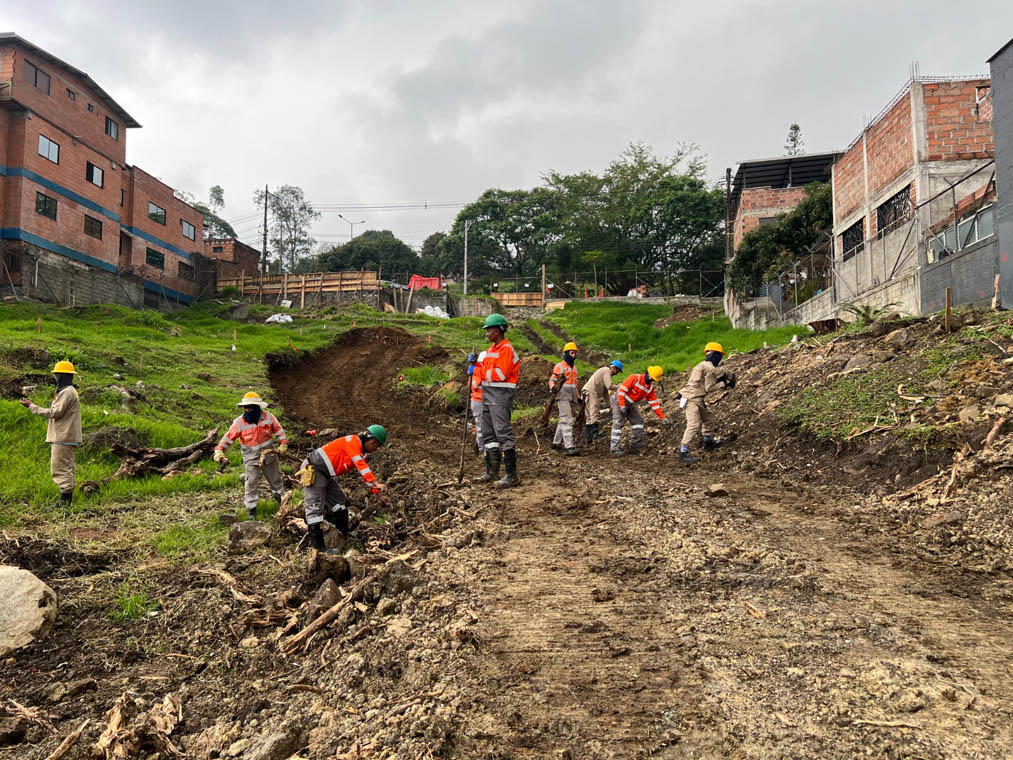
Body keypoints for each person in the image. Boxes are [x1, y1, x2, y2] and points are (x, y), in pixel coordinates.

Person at [298, 425, 389, 551]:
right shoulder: (353, 442)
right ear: (373, 441)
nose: (375, 450)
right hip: (314, 470)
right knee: (314, 508)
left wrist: (379, 494)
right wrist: (376, 482)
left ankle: (344, 537)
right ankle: (319, 550)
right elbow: (361, 466)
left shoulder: (361, 451)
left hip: (326, 474)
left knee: (339, 502)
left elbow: (364, 475)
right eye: (377, 446)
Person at [213, 391, 288, 520]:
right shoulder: (239, 422)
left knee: (276, 479)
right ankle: (251, 509)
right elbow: (227, 438)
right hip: (251, 457)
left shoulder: (269, 417)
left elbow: (280, 432)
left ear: (257, 407)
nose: (248, 409)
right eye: (245, 407)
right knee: (251, 481)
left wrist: (283, 445)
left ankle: (281, 501)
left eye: (251, 407)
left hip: (269, 454)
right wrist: (219, 451)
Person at [20, 360, 82, 510]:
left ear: (61, 375)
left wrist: (31, 406)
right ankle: (66, 501)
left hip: (63, 436)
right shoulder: (69, 391)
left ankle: (65, 503)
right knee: (66, 467)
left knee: (60, 468)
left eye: (57, 374)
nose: (56, 377)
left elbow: (54, 413)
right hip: (65, 436)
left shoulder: (67, 392)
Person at [473, 313, 521, 487]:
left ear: (499, 330)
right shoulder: (492, 350)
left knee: (503, 433)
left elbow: (500, 374)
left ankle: (511, 474)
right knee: (489, 435)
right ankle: (491, 471)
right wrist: (474, 370)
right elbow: (482, 372)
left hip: (500, 397)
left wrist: (480, 373)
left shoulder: (507, 349)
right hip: (487, 395)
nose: (486, 333)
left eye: (489, 330)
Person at [677, 342, 735, 464]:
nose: (720, 358)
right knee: (693, 425)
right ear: (715, 355)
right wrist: (725, 383)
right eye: (720, 355)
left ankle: (708, 442)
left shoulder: (702, 365)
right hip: (692, 399)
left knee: (709, 418)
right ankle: (683, 452)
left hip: (696, 399)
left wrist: (722, 377)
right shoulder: (710, 368)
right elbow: (709, 388)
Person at [609, 366, 673, 456]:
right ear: (650, 376)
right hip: (618, 400)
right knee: (618, 422)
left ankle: (634, 444)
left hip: (630, 404)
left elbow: (654, 404)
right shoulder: (635, 378)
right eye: (654, 379)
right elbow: (621, 392)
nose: (653, 381)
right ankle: (614, 449)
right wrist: (622, 405)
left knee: (638, 422)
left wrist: (662, 417)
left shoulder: (649, 388)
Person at [549, 342, 580, 456]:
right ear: (566, 353)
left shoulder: (575, 369)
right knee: (567, 420)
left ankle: (556, 444)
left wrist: (578, 397)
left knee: (563, 420)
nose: (574, 355)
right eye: (572, 353)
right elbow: (552, 380)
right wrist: (552, 388)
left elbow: (574, 385)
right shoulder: (560, 366)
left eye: (575, 353)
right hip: (562, 396)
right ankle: (569, 446)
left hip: (570, 397)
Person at [581, 360, 622, 443]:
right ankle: (595, 435)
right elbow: (609, 386)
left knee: (589, 417)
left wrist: (609, 404)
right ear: (613, 367)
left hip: (586, 392)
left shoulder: (603, 371)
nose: (617, 373)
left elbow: (605, 391)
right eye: (617, 371)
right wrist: (620, 387)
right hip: (591, 392)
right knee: (594, 413)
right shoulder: (607, 371)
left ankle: (588, 438)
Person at [468, 351, 486, 455]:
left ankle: (482, 447)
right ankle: (483, 451)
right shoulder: (477, 372)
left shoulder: (481, 370)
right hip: (478, 401)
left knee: (487, 428)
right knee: (481, 429)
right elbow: (472, 385)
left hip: (490, 401)